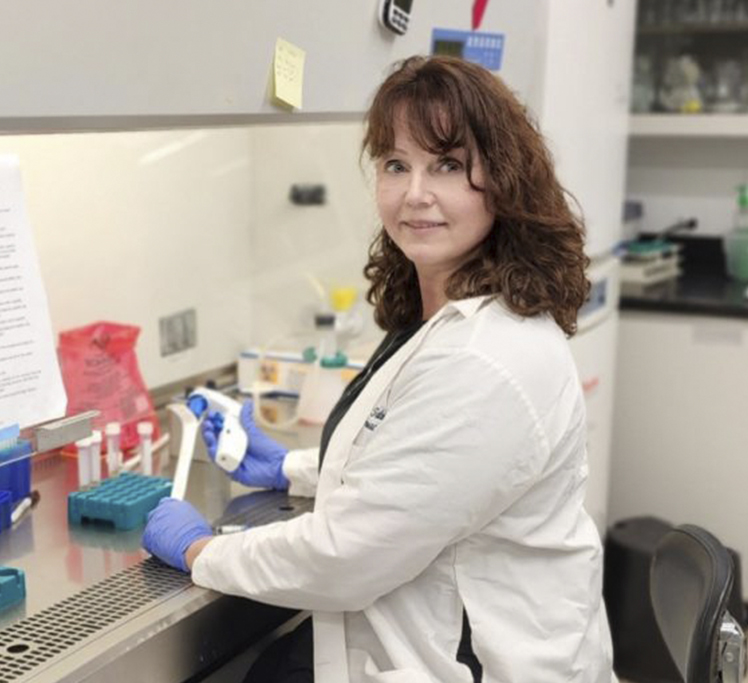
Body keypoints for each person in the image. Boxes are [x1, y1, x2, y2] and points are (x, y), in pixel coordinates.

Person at [143, 55, 615, 683]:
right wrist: (289, 467)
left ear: (503, 180)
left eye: (446, 165)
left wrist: (202, 550)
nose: (415, 194)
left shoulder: (486, 358)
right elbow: (420, 465)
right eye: (396, 165)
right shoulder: (453, 315)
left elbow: (347, 556)